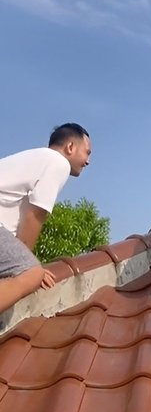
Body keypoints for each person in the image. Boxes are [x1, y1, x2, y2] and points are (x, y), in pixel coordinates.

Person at [0, 123, 91, 314]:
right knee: (31, 273)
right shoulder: (58, 162)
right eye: (87, 152)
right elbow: (35, 214)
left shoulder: (35, 159)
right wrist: (28, 264)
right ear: (70, 147)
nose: (88, 161)